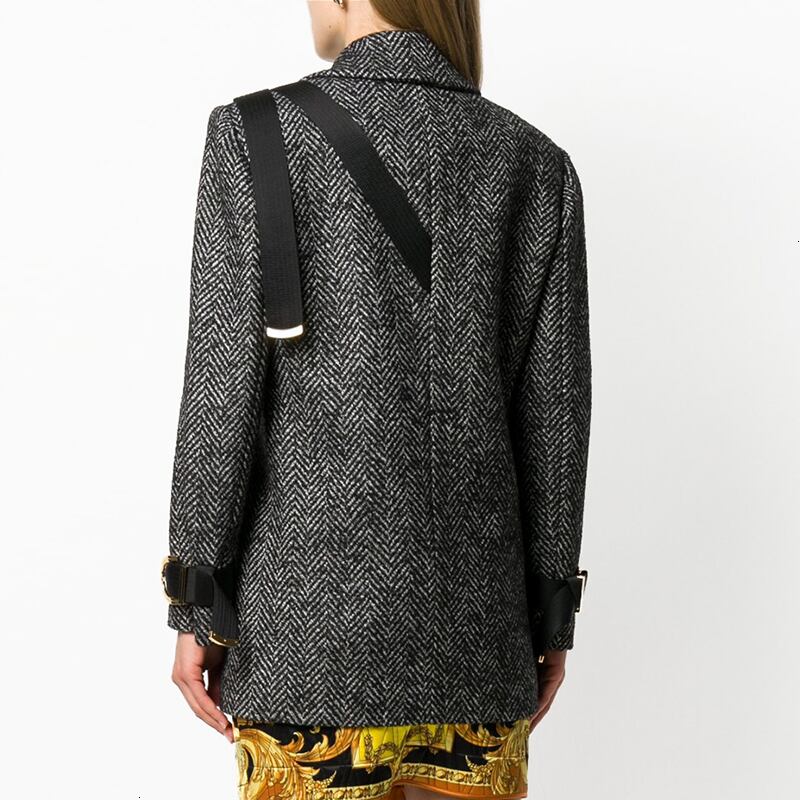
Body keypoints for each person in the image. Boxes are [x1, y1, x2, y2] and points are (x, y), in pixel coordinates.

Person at [162, 1, 591, 798]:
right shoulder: (534, 163)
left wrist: (197, 604)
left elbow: (221, 398)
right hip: (479, 648)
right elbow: (554, 427)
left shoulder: (255, 136)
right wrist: (550, 615)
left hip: (304, 651)